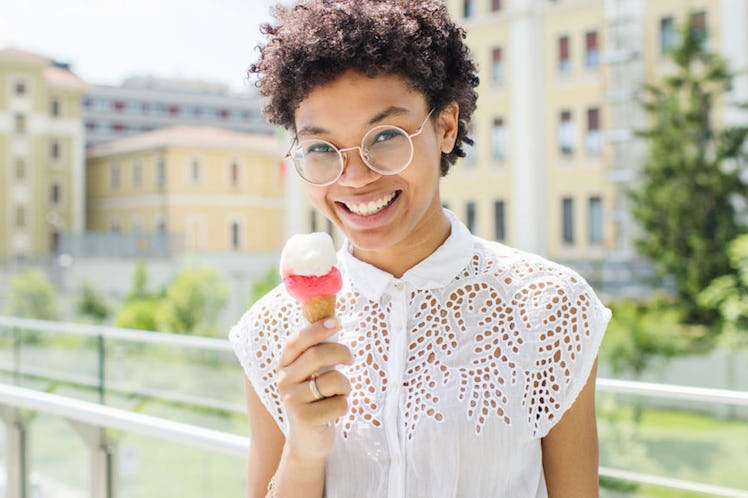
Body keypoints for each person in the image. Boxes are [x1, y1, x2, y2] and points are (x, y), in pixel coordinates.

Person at [229, 1, 611, 497]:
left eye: (385, 136)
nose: (356, 177)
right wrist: (303, 448)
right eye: (322, 148)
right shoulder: (271, 330)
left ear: (446, 127)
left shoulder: (552, 307)